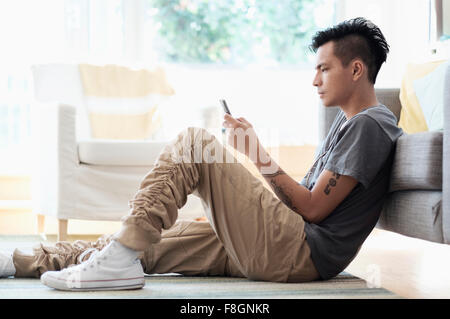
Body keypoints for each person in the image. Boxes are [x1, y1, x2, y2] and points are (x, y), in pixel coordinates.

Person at [0, 17, 403, 291]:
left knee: (195, 142)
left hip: (299, 252)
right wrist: (228, 211)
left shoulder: (370, 124)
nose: (314, 80)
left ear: (355, 70)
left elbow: (313, 211)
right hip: (286, 243)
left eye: (324, 69)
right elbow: (308, 201)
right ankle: (17, 261)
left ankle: (119, 256)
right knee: (140, 244)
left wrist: (256, 155)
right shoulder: (347, 123)